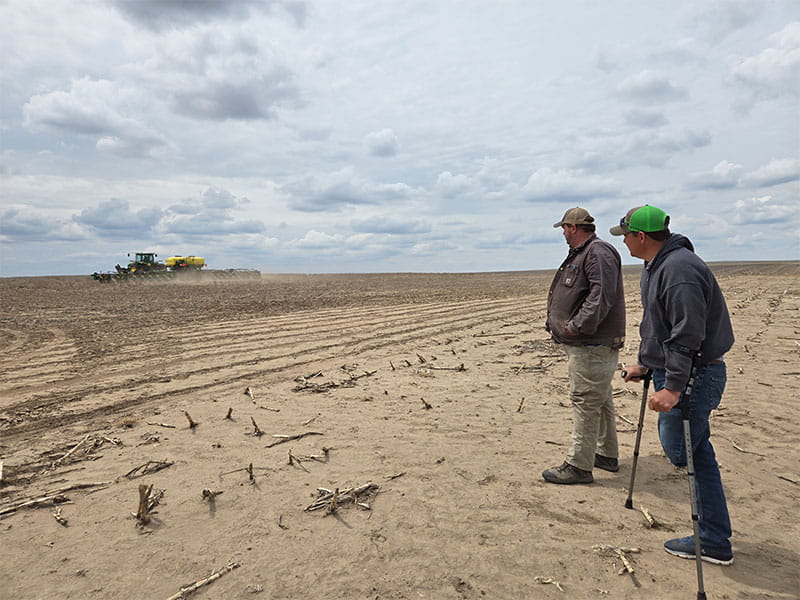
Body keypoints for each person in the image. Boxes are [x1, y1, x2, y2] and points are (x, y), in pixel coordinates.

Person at [611, 204, 734, 565]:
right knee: (692, 450)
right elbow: (657, 325)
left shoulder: (679, 270)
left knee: (689, 453)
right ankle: (714, 535)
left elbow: (687, 333)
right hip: (678, 371)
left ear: (641, 236)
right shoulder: (656, 266)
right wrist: (647, 364)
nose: (624, 242)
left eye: (626, 236)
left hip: (694, 375)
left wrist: (675, 387)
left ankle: (713, 540)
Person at [542, 207, 626, 484]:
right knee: (599, 400)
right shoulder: (585, 252)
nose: (563, 234)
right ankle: (605, 454)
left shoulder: (597, 252)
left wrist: (576, 327)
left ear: (573, 228)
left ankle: (579, 465)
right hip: (589, 343)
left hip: (591, 343)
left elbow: (601, 297)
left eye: (565, 228)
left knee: (586, 400)